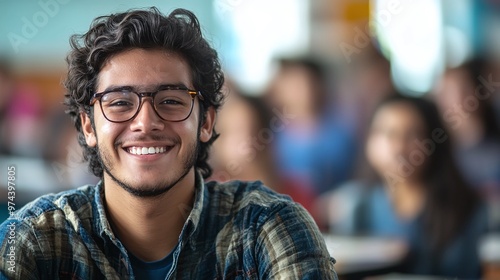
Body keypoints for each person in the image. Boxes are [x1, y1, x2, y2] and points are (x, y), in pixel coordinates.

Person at [0, 8, 337, 279]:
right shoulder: (35, 239)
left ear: (205, 122)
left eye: (172, 101)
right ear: (88, 126)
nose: (146, 122)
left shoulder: (267, 228)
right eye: (119, 103)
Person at [317, 94, 496, 278]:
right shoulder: (358, 206)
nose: (399, 147)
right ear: (369, 142)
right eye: (388, 133)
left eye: (413, 134)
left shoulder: (466, 210)